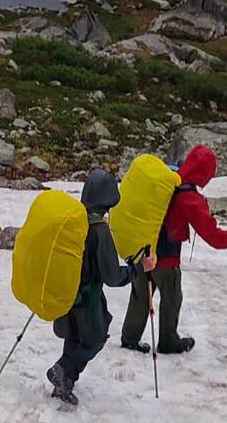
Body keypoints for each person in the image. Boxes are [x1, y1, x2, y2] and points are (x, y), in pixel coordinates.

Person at [120, 144, 227, 355]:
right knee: (172, 298)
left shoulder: (168, 177)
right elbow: (216, 239)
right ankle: (168, 342)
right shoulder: (190, 199)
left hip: (142, 251)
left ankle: (129, 339)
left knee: (141, 296)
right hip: (166, 259)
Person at [47, 169, 156, 407]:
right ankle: (62, 369)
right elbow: (112, 276)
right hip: (89, 298)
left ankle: (64, 382)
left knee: (74, 336)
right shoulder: (100, 230)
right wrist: (138, 268)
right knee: (95, 339)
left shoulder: (74, 219)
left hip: (68, 293)